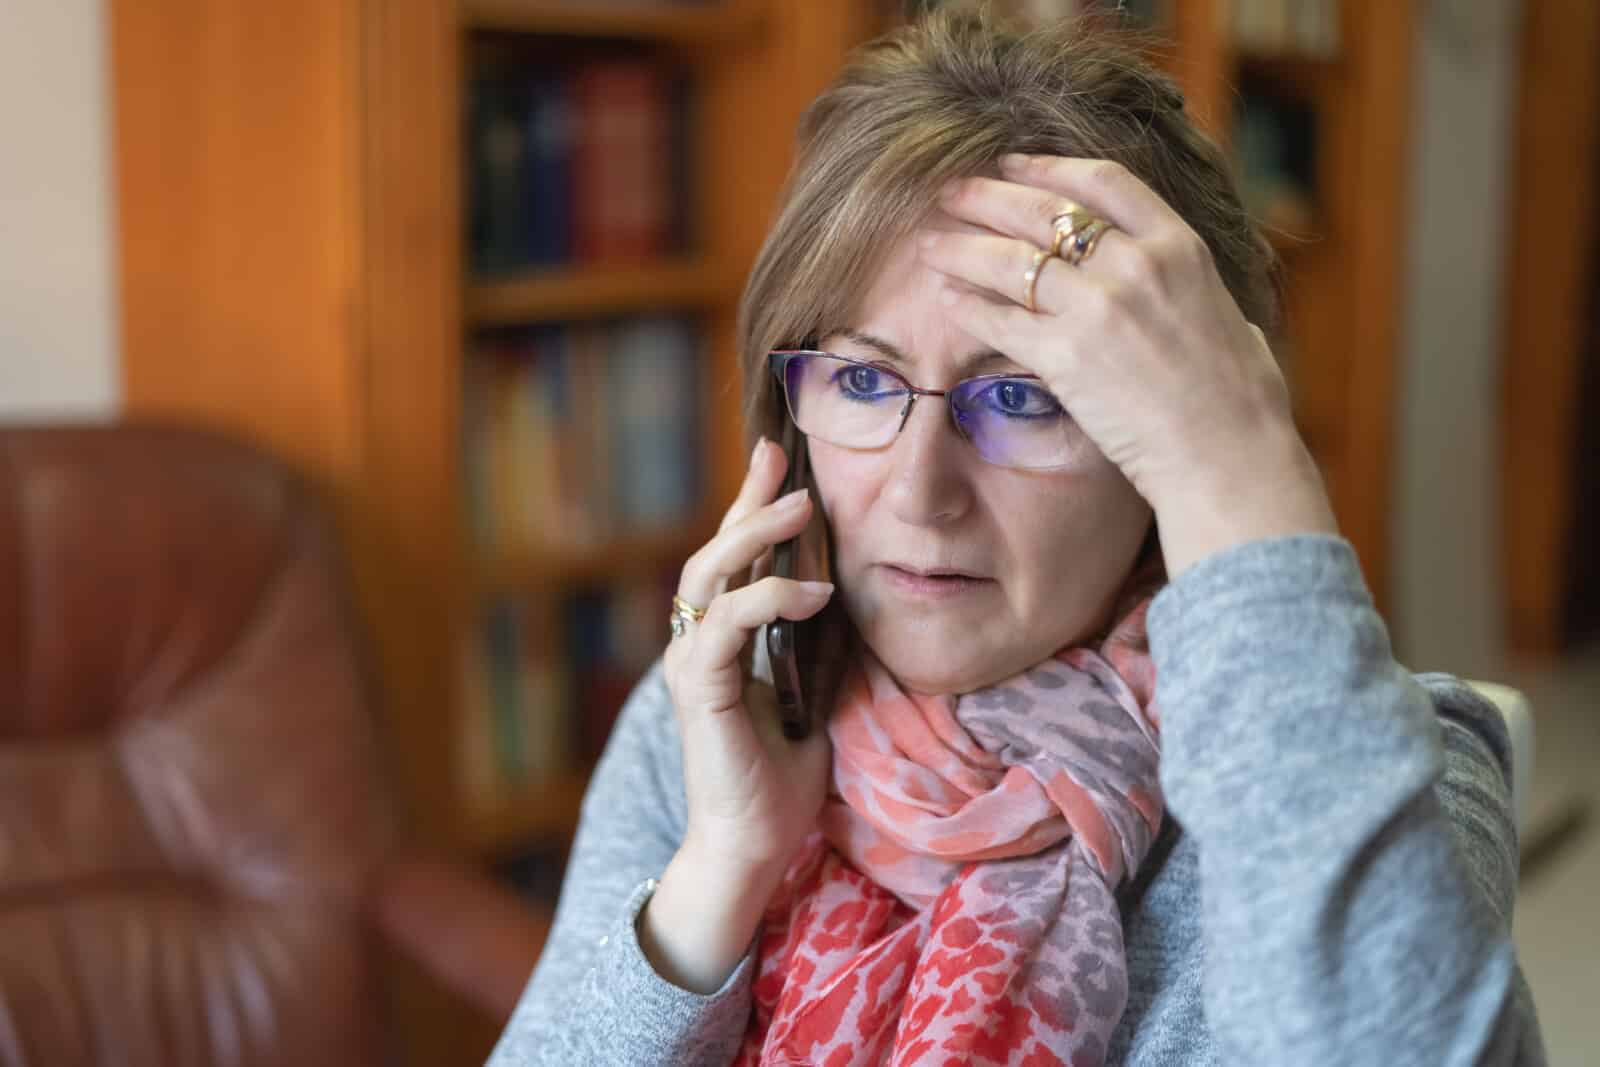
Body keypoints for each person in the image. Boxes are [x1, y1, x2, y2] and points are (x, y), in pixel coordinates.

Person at [488, 9, 1545, 1066]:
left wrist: (1243, 475)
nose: (918, 489)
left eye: (1022, 397)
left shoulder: (1383, 764)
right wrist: (718, 868)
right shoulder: (727, 712)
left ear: (1168, 441)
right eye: (860, 379)